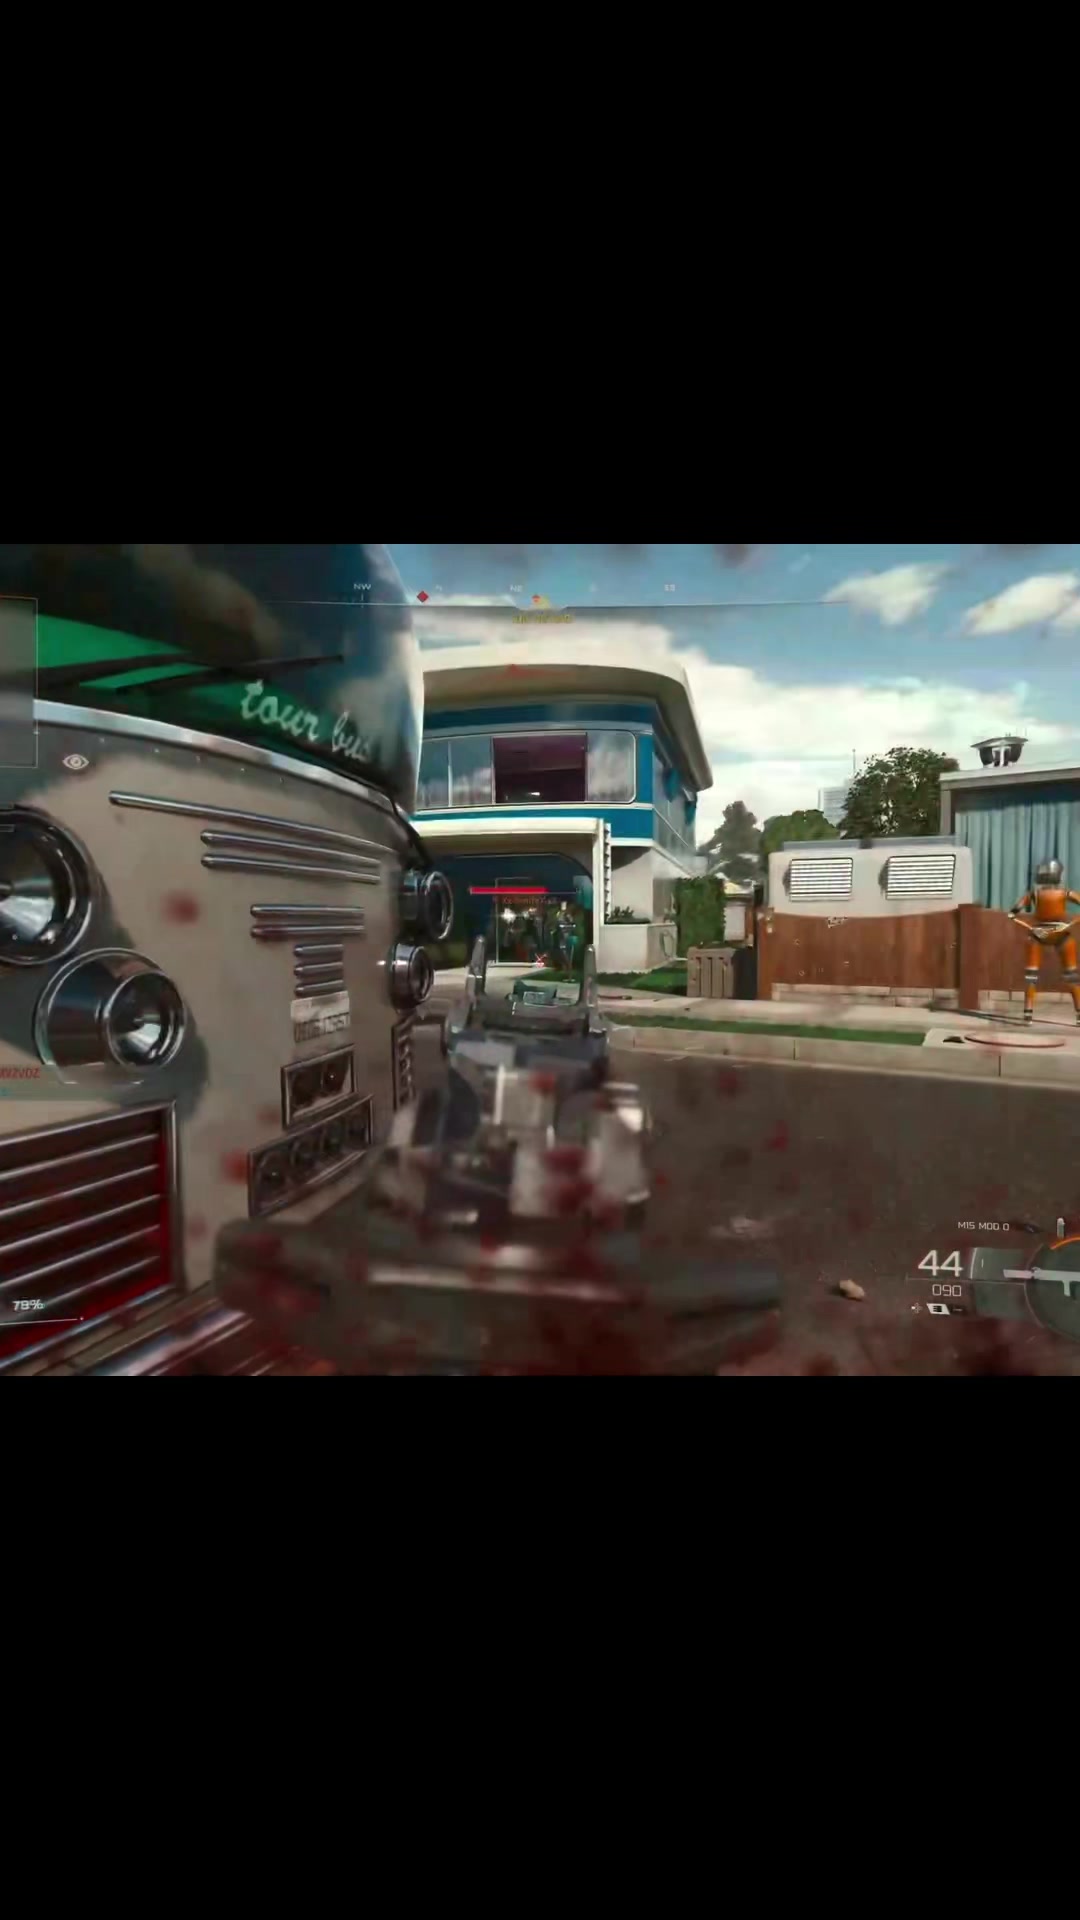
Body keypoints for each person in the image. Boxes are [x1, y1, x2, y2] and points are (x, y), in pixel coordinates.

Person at [1008, 859, 1080, 1023]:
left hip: (1038, 934)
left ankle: (1028, 1014)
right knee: (1071, 975)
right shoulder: (1065, 893)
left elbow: (1012, 913)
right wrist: (1070, 923)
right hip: (1060, 934)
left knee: (1031, 976)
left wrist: (1028, 926)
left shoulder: (1034, 894)